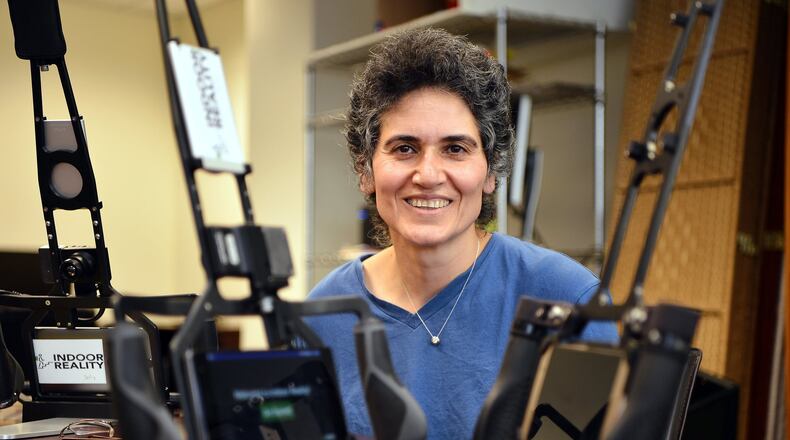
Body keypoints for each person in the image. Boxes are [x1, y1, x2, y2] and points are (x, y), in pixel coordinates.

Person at [307, 28, 617, 439]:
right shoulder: (325, 315)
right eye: (404, 148)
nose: (429, 175)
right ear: (366, 170)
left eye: (455, 148)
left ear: (490, 172)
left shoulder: (567, 301)